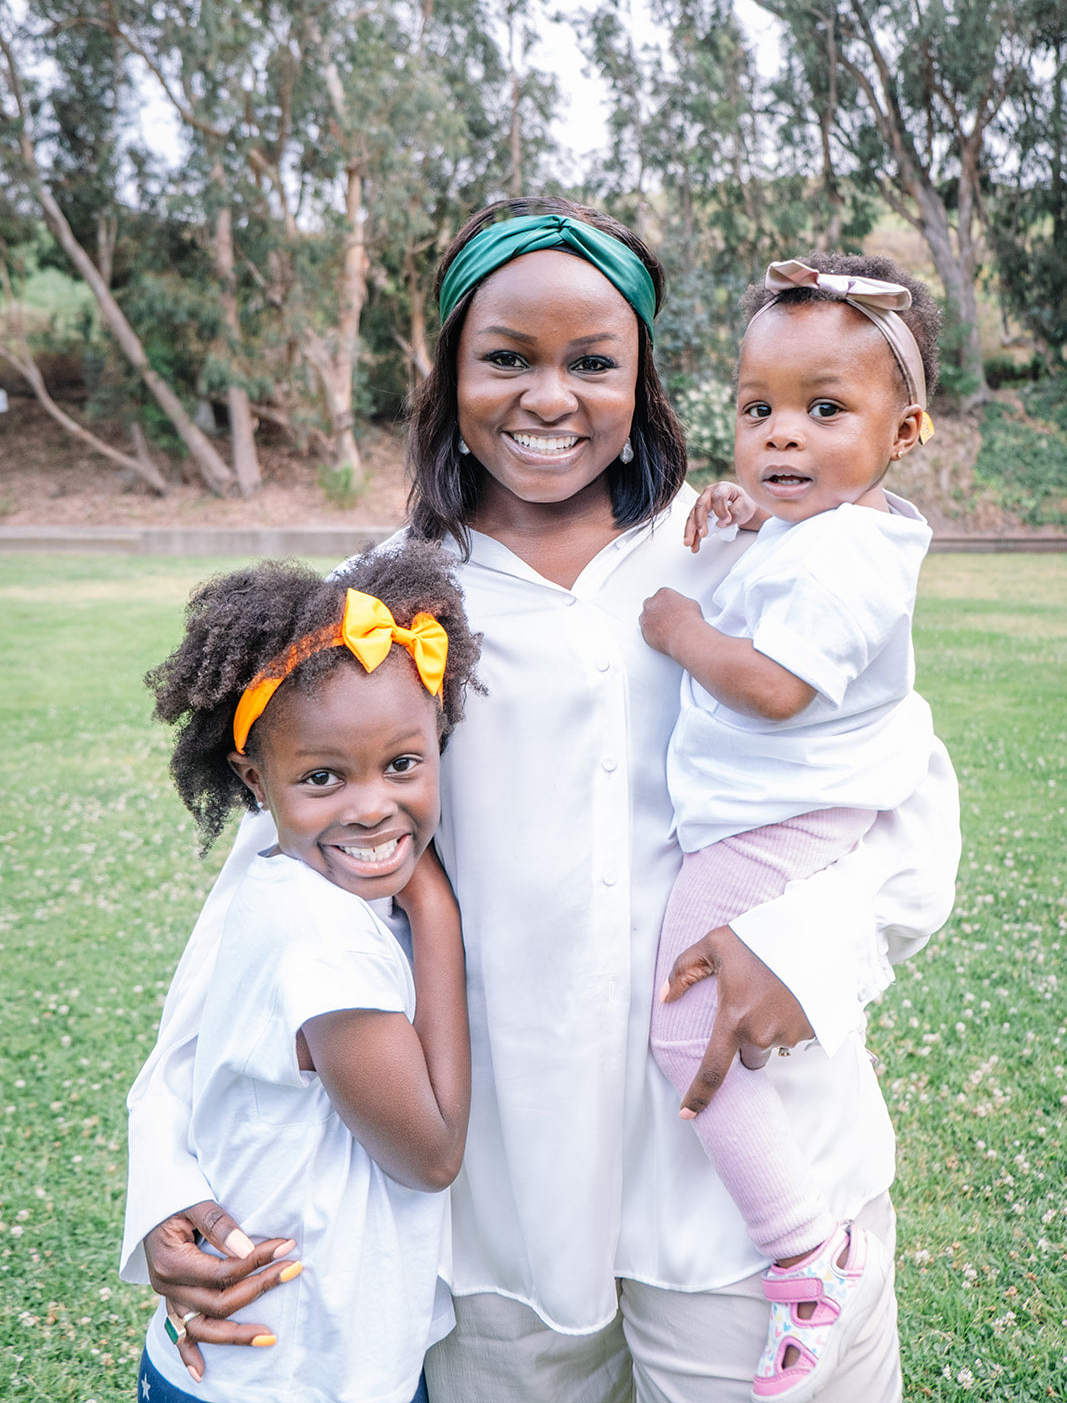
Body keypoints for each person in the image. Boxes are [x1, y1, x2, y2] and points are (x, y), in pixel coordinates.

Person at [121, 201, 960, 1403]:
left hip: (751, 1189)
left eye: (593, 362)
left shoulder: (757, 547)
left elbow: (906, 801)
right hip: (498, 1225)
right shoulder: (377, 607)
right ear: (449, 370)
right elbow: (265, 904)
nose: (548, 397)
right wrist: (166, 1170)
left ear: (644, 376)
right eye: (505, 356)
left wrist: (803, 951)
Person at [640, 257, 946, 1402]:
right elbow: (768, 570)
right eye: (756, 408)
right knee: (692, 1027)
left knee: (683, 1033)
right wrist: (733, 528)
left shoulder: (848, 558)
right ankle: (806, 1248)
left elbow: (771, 685)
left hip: (775, 830)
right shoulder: (816, 531)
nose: (779, 437)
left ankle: (806, 1253)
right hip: (771, 816)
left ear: (902, 428)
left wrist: (676, 626)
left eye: (824, 410)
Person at [131, 541, 481, 1403]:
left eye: (404, 764)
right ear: (254, 779)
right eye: (322, 777)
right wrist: (433, 912)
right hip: (292, 1371)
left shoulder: (279, 881)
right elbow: (430, 1154)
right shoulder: (324, 939)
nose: (370, 805)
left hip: (296, 1355)